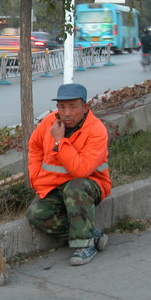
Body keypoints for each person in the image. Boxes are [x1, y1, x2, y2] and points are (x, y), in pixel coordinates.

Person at [26, 83, 111, 266]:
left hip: (88, 185)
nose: (67, 113)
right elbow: (34, 147)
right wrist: (35, 178)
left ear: (85, 107)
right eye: (62, 107)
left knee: (75, 186)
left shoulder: (96, 130)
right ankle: (91, 234)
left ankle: (85, 244)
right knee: (36, 214)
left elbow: (80, 170)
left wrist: (59, 140)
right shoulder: (48, 122)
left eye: (73, 107)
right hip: (55, 185)